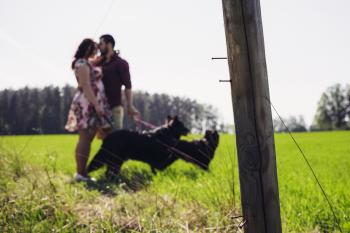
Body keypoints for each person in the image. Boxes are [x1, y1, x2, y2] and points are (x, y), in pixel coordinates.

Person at [65, 38, 113, 182]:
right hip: (88, 104)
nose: (97, 51)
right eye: (95, 49)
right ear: (89, 49)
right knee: (85, 138)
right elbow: (86, 86)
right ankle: (80, 173)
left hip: (90, 103)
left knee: (88, 138)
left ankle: (83, 173)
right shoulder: (82, 64)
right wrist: (97, 105)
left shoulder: (86, 62)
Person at [97, 34, 140, 129]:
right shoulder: (98, 63)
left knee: (115, 138)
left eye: (101, 44)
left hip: (115, 107)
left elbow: (128, 86)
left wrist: (130, 105)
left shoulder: (121, 63)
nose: (98, 46)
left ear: (109, 45)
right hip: (98, 107)